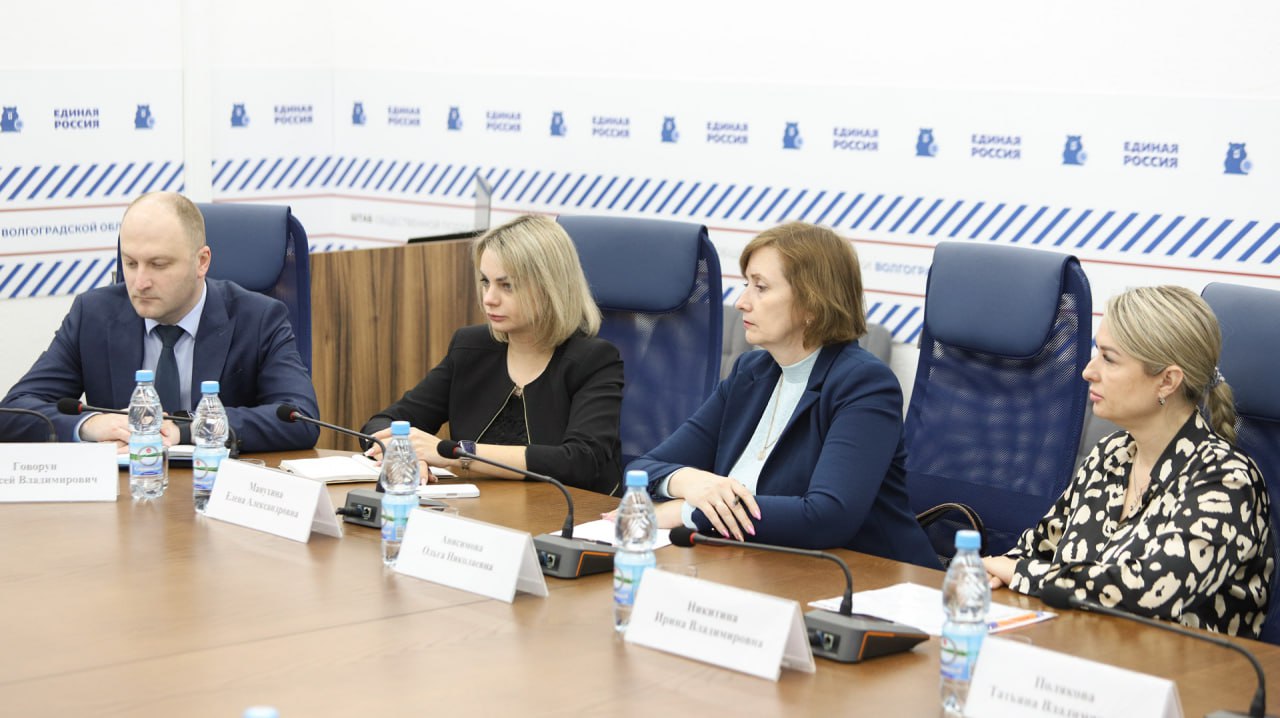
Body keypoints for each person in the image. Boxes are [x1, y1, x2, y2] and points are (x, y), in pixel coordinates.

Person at [627, 222, 938, 568]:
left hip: (869, 579)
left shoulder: (864, 384)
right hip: (757, 564)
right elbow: (640, 471)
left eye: (760, 287)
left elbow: (826, 517)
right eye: (746, 285)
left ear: (812, 304)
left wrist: (688, 512)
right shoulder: (750, 373)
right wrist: (689, 481)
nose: (741, 303)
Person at [983, 286, 1273, 638]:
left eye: (1109, 359)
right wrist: (993, 571)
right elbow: (1034, 551)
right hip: (1084, 652)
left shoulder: (1227, 481)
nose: (1088, 371)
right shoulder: (1111, 454)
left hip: (1186, 669)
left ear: (1167, 381)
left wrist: (1022, 574)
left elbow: (1150, 592)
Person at [0, 192, 319, 452]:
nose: (140, 282)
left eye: (158, 264)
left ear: (201, 262)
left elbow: (300, 418)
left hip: (216, 490)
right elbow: (12, 411)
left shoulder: (259, 318)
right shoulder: (93, 315)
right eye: (130, 263)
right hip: (128, 492)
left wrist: (188, 429)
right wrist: (90, 425)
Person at [362, 214, 624, 495]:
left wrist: (455, 454)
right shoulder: (470, 348)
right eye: (486, 282)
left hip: (564, 513)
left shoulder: (594, 361)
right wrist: (405, 454)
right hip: (478, 511)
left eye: (506, 285)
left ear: (550, 287)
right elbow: (381, 425)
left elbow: (580, 462)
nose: (489, 298)